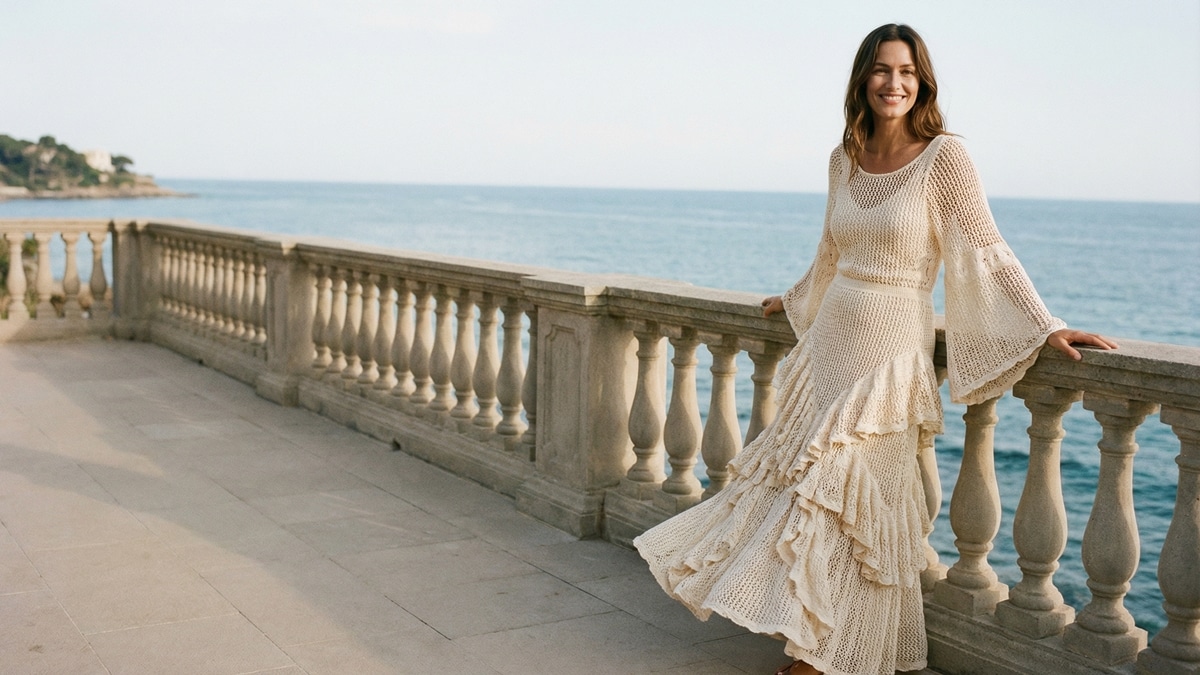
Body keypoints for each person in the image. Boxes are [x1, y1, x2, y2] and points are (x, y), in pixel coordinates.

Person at [633, 23, 1116, 675]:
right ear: (864, 79)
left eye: (907, 72)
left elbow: (984, 245)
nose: (895, 83)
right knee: (806, 490)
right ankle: (819, 644)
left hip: (891, 348)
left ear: (923, 84)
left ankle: (821, 658)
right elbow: (832, 250)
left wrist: (1044, 323)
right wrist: (797, 294)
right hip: (832, 338)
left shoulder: (945, 157)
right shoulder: (845, 156)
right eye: (883, 70)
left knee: (852, 494)